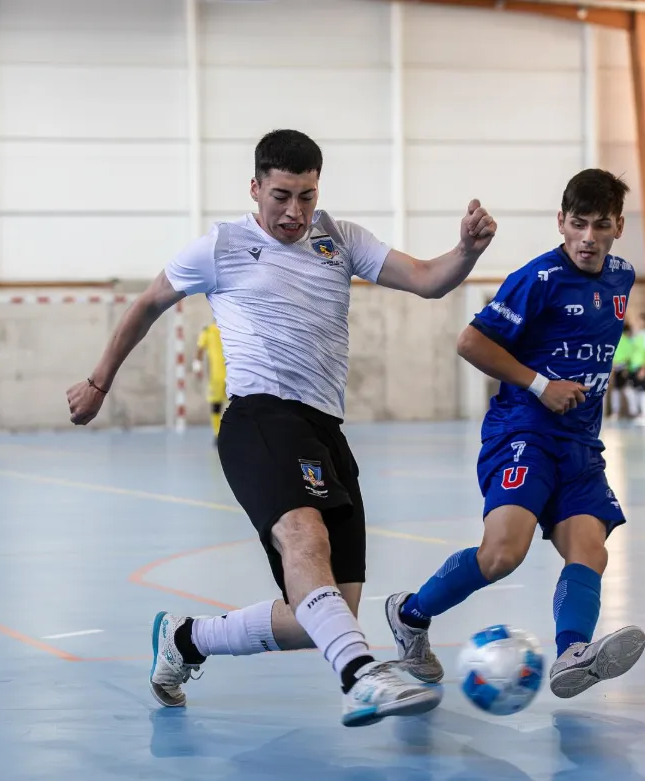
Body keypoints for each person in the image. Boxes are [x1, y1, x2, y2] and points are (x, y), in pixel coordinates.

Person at [66, 129, 497, 727]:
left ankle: (186, 640)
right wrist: (98, 382)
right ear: (255, 189)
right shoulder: (221, 246)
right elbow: (146, 304)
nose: (296, 212)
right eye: (282, 196)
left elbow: (426, 278)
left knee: (321, 615)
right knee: (304, 539)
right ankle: (360, 675)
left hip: (325, 429)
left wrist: (467, 252)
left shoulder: (341, 240)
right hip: (259, 416)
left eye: (308, 196)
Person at [385, 169, 645, 700]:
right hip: (523, 429)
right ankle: (410, 615)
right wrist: (541, 384)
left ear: (619, 226)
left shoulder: (622, 277)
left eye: (601, 225)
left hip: (580, 443)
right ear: (561, 223)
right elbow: (470, 342)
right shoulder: (538, 279)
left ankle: (573, 652)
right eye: (578, 224)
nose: (588, 238)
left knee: (590, 552)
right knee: (503, 554)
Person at [193, 320, 227, 444]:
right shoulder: (210, 330)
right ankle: (218, 434)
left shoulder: (209, 330)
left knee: (217, 405)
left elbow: (200, 349)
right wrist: (197, 366)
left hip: (223, 375)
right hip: (227, 375)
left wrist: (197, 366)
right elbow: (200, 349)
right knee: (218, 404)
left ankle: (218, 434)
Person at [609, 322, 633, 419]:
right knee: (620, 390)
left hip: (620, 367)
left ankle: (619, 412)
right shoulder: (626, 340)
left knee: (622, 390)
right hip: (622, 367)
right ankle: (627, 411)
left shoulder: (617, 339)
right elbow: (629, 355)